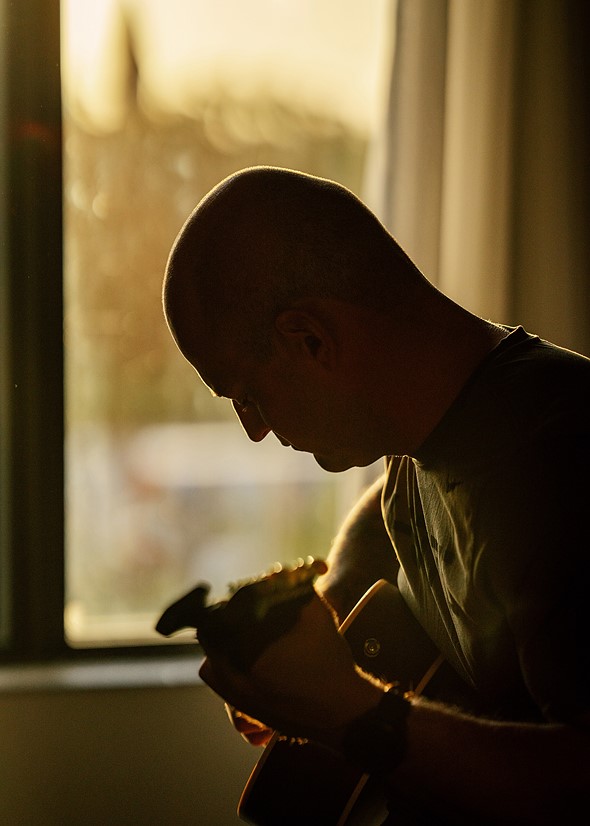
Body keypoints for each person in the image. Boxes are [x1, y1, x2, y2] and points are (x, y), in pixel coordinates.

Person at [161, 166, 590, 823]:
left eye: (247, 394)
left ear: (310, 338)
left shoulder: (561, 465)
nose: (254, 430)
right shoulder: (430, 436)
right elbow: (403, 509)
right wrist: (338, 596)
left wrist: (350, 710)